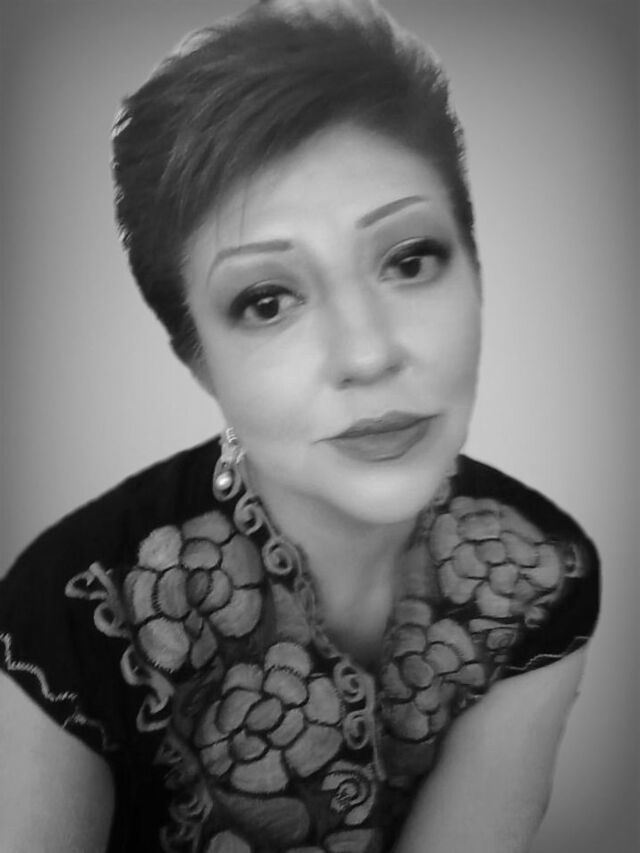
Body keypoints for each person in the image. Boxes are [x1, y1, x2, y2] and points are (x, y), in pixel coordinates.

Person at [0, 1, 600, 851]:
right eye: (267, 301)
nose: (368, 352)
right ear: (197, 359)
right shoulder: (71, 602)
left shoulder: (539, 566)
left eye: (409, 259)